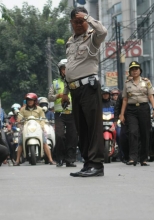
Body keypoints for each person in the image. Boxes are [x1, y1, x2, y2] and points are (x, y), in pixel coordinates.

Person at [61, 6, 107, 177]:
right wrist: (65, 91)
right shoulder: (70, 41)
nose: (79, 25)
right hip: (75, 89)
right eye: (76, 21)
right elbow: (70, 68)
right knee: (82, 129)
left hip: (89, 87)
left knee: (93, 127)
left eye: (82, 21)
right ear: (71, 23)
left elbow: (103, 31)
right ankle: (88, 163)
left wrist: (88, 18)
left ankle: (97, 165)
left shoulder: (93, 38)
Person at [119, 61, 154, 166]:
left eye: (136, 69)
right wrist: (122, 114)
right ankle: (133, 158)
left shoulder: (146, 82)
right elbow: (125, 100)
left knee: (145, 133)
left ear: (140, 71)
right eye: (132, 69)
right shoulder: (127, 83)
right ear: (130, 72)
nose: (134, 71)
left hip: (144, 108)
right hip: (131, 110)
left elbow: (151, 96)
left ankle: (144, 158)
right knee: (132, 132)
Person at [48, 59, 77, 167]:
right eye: (63, 69)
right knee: (59, 136)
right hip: (59, 114)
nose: (65, 71)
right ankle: (59, 158)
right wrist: (58, 96)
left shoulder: (74, 82)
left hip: (72, 113)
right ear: (60, 71)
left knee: (72, 136)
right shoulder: (55, 83)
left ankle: (70, 159)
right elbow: (49, 97)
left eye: (66, 69)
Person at [14, 93, 56, 165]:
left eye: (31, 100)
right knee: (20, 143)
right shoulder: (22, 109)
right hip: (25, 127)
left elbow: (43, 119)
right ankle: (17, 160)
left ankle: (50, 159)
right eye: (28, 100)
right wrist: (19, 121)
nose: (29, 101)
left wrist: (42, 126)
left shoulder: (40, 109)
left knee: (44, 142)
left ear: (35, 101)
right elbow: (19, 118)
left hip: (38, 127)